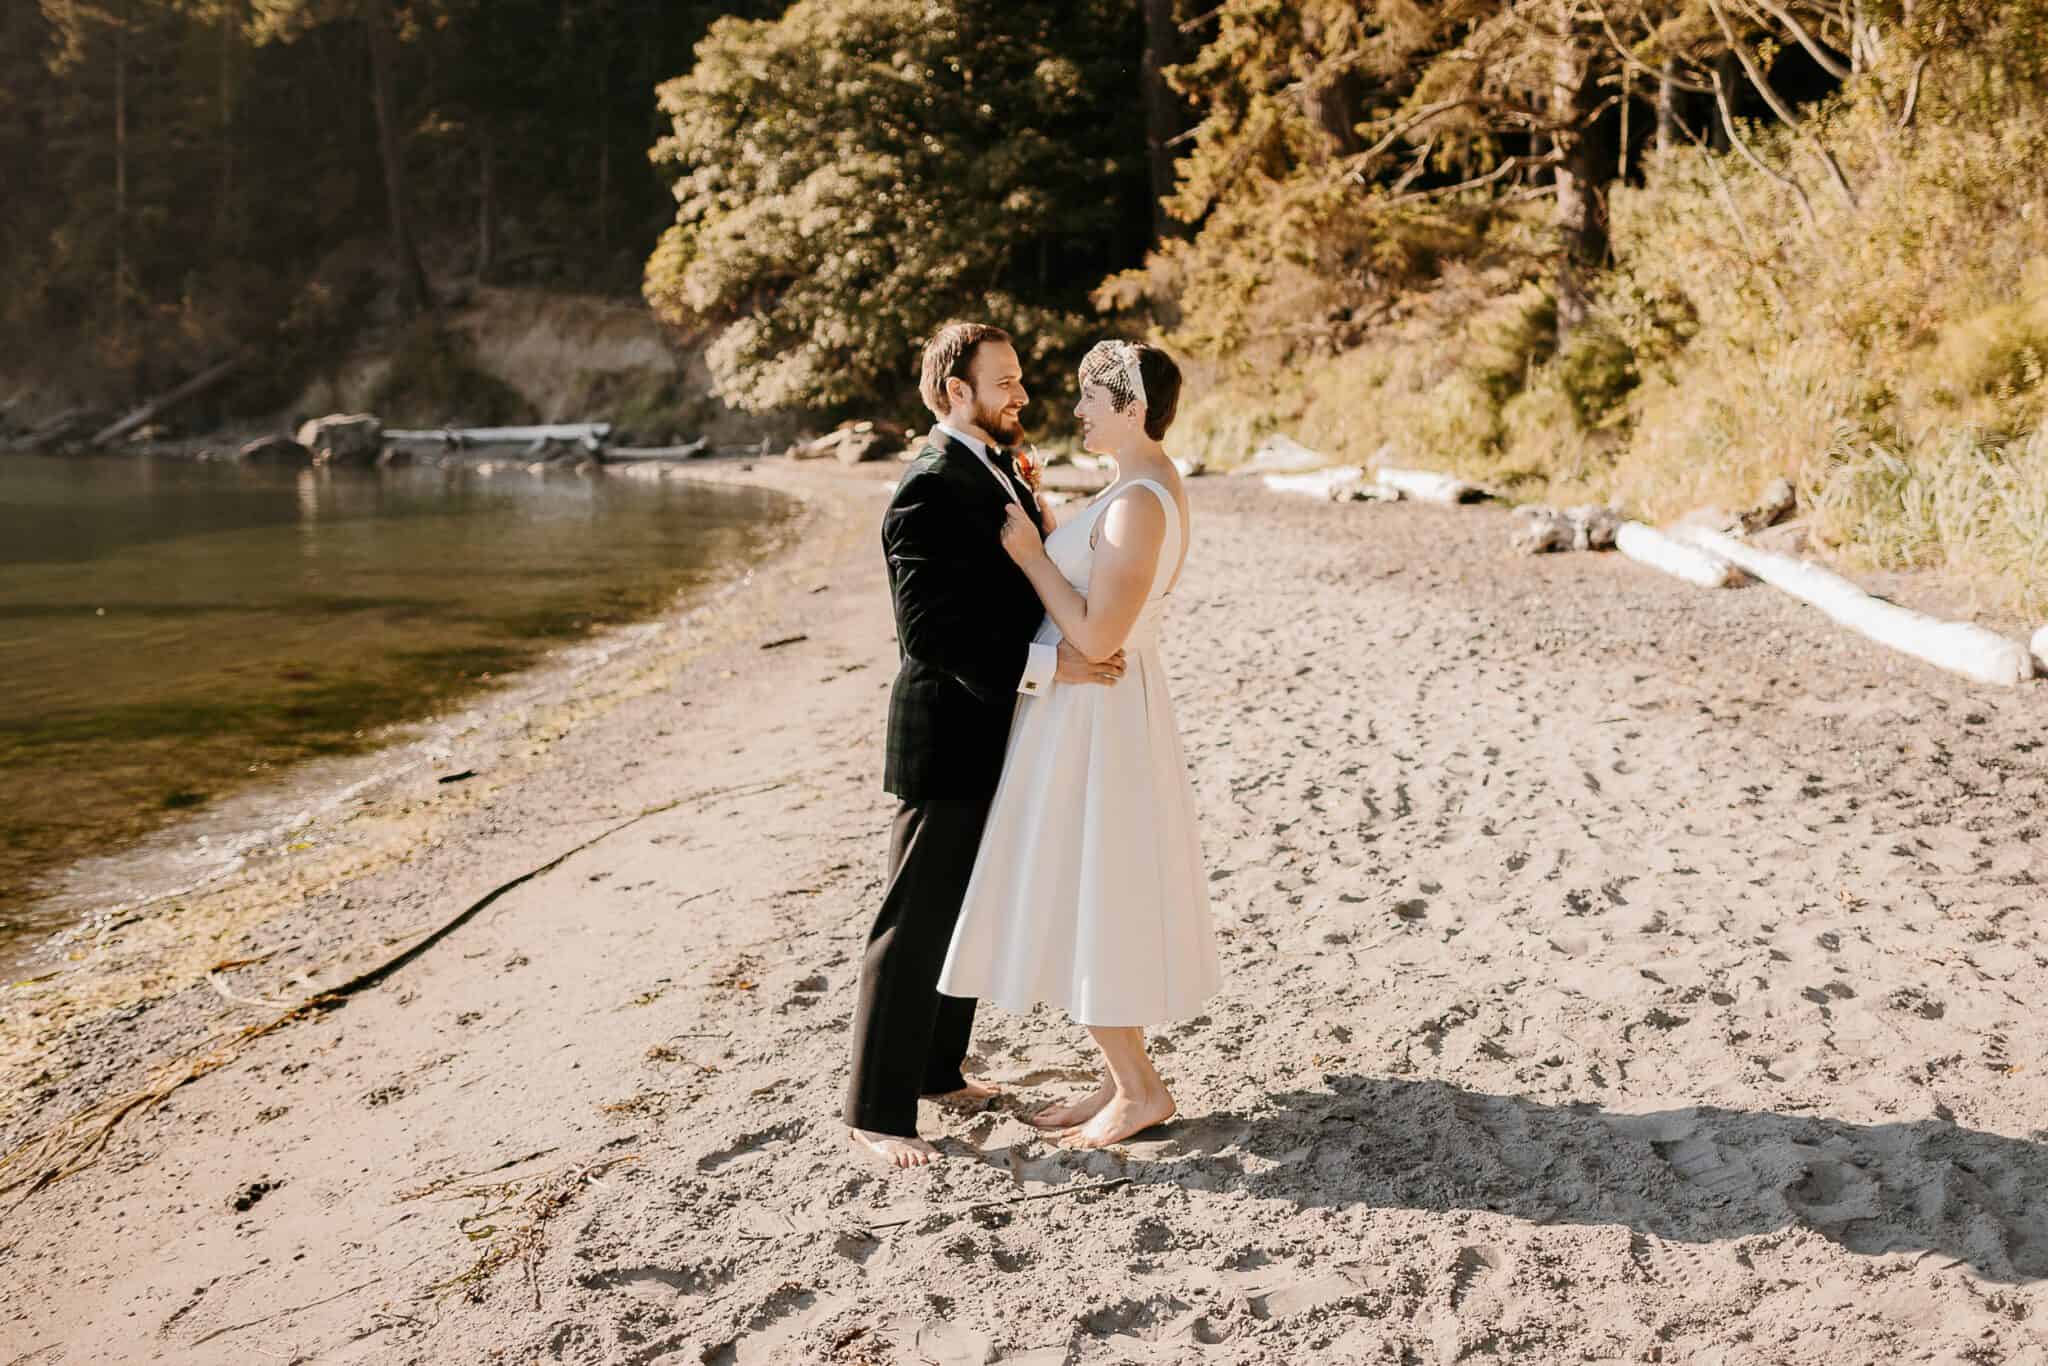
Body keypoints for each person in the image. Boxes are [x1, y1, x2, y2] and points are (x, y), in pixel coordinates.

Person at [844, 321, 1126, 1170]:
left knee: (969, 906)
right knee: (914, 915)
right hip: (946, 732)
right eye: (1003, 381)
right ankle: (874, 1111)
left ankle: (936, 1067)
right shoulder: (928, 486)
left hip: (998, 727)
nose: (1022, 394)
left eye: (1018, 379)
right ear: (952, 392)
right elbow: (929, 635)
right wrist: (1051, 666)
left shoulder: (995, 466)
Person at [939, 339, 1219, 1149]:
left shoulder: (1139, 501)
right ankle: (1118, 1081)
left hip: (1098, 715)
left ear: (1131, 408)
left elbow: (1098, 636)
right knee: (1095, 885)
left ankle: (1139, 1089)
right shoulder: (1136, 486)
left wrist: (1031, 559)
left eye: (1093, 400)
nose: (1077, 411)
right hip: (1098, 714)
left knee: (1085, 884)